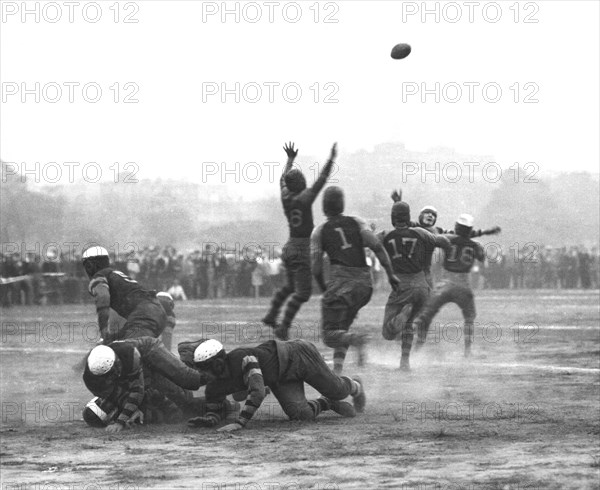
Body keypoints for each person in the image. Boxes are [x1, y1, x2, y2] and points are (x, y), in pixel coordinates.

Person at [311, 186, 400, 374]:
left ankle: (357, 341)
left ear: (324, 207)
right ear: (342, 204)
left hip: (340, 286)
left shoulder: (319, 232)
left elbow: (316, 268)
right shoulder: (358, 222)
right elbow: (377, 246)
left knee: (329, 335)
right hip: (365, 285)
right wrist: (391, 274)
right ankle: (337, 370)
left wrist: (325, 289)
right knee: (342, 329)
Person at [187, 338, 366, 432]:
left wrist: (240, 422)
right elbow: (216, 408)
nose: (202, 375)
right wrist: (210, 419)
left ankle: (356, 385)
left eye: (204, 369)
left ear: (217, 364)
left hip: (298, 355)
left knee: (338, 390)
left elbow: (256, 392)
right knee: (302, 415)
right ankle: (328, 403)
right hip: (280, 378)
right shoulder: (214, 386)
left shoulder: (241, 358)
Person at [262, 142, 338, 340]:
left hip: (289, 245)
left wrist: (289, 160)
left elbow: (282, 180)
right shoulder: (305, 198)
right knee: (303, 293)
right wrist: (330, 160)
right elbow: (321, 180)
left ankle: (271, 315)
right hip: (302, 247)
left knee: (289, 287)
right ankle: (283, 327)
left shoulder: (285, 196)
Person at [379, 201, 451, 371]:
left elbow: (369, 242)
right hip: (422, 284)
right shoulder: (421, 232)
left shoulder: (385, 235)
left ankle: (399, 319)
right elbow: (444, 242)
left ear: (392, 217)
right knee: (410, 324)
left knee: (388, 333)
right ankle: (404, 363)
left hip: (402, 286)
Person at [82, 337, 206, 433]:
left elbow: (137, 390)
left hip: (148, 351)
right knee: (185, 399)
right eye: (109, 411)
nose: (109, 408)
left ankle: (190, 351)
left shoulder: (128, 354)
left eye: (105, 406)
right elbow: (139, 395)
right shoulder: (94, 383)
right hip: (145, 375)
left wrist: (120, 422)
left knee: (191, 380)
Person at [413, 214, 487, 358]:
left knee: (426, 315)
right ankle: (467, 351)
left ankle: (417, 347)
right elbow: (482, 257)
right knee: (469, 318)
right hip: (464, 285)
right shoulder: (475, 245)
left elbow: (433, 240)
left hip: (445, 283)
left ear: (457, 227)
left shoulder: (447, 238)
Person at [82, 246, 167, 343]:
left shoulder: (99, 277)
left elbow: (103, 298)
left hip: (144, 315)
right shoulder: (115, 274)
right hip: (157, 312)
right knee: (119, 345)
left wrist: (103, 332)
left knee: (129, 351)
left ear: (90, 265)